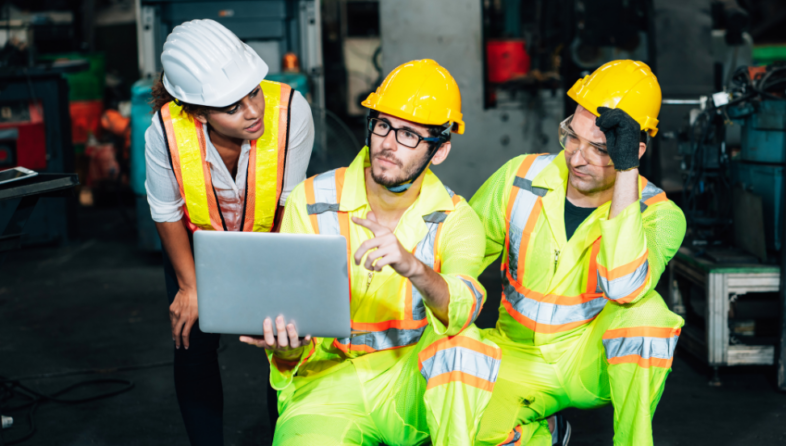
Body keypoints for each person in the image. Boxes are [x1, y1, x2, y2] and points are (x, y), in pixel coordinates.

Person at [240, 59, 501, 446]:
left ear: (440, 150)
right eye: (383, 125)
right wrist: (286, 350)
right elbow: (292, 310)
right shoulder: (312, 199)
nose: (389, 144)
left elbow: (462, 308)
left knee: (467, 346)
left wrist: (413, 266)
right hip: (328, 383)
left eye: (410, 135)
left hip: (411, 384)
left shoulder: (456, 219)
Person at [469, 60, 686, 446]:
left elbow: (624, 286)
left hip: (591, 364)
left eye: (601, 148)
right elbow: (460, 255)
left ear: (632, 151)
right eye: (573, 137)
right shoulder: (520, 178)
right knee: (460, 427)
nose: (577, 157)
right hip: (516, 354)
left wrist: (625, 175)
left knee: (649, 317)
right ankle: (546, 432)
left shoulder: (660, 214)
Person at [144, 19, 315, 446]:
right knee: (192, 344)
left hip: (274, 237)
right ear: (197, 112)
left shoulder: (292, 113)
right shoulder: (163, 132)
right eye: (232, 106)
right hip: (196, 247)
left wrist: (276, 287)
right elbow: (166, 212)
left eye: (254, 93)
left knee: (286, 345)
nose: (253, 111)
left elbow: (288, 207)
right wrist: (190, 286)